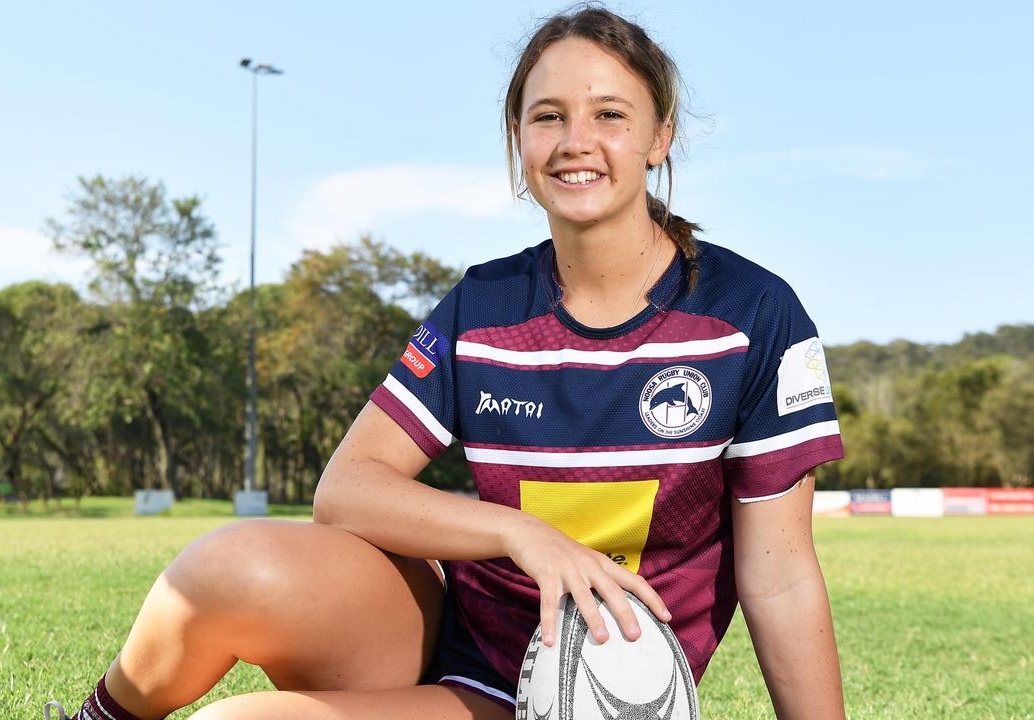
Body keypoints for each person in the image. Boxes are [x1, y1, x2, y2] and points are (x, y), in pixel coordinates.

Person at [47, 5, 846, 720]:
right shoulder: (483, 307)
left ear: (659, 135)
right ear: (519, 140)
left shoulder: (751, 315)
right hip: (453, 639)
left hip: (579, 693)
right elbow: (347, 489)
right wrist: (523, 536)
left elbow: (778, 576)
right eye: (547, 116)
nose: (576, 141)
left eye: (610, 114)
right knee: (226, 566)